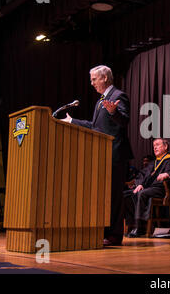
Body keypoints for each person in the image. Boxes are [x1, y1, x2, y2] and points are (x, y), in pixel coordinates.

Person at [62, 65, 134, 246]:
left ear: (104, 78)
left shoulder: (118, 96)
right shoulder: (101, 100)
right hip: (101, 154)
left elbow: (124, 120)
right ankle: (102, 232)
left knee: (115, 197)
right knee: (103, 196)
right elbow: (96, 127)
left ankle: (114, 236)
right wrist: (72, 121)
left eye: (94, 79)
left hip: (115, 154)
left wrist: (113, 112)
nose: (91, 83)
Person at [124, 138, 170, 237]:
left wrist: (168, 174)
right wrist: (140, 184)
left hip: (162, 189)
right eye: (153, 146)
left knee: (142, 194)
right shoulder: (153, 163)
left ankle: (139, 227)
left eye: (157, 145)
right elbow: (142, 175)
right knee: (126, 195)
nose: (155, 147)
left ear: (165, 147)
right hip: (149, 188)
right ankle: (133, 224)